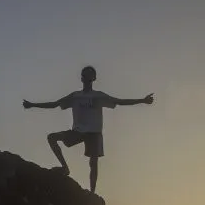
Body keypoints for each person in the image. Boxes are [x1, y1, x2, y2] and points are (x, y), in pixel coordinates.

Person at [22, 65, 154, 194]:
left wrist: (142, 100)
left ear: (94, 78)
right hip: (78, 131)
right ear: (81, 78)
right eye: (84, 75)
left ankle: (92, 193)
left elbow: (119, 101)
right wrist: (32, 105)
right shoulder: (75, 96)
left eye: (89, 74)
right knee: (52, 137)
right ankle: (65, 167)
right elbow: (55, 104)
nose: (86, 77)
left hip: (94, 133)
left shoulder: (98, 96)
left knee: (93, 162)